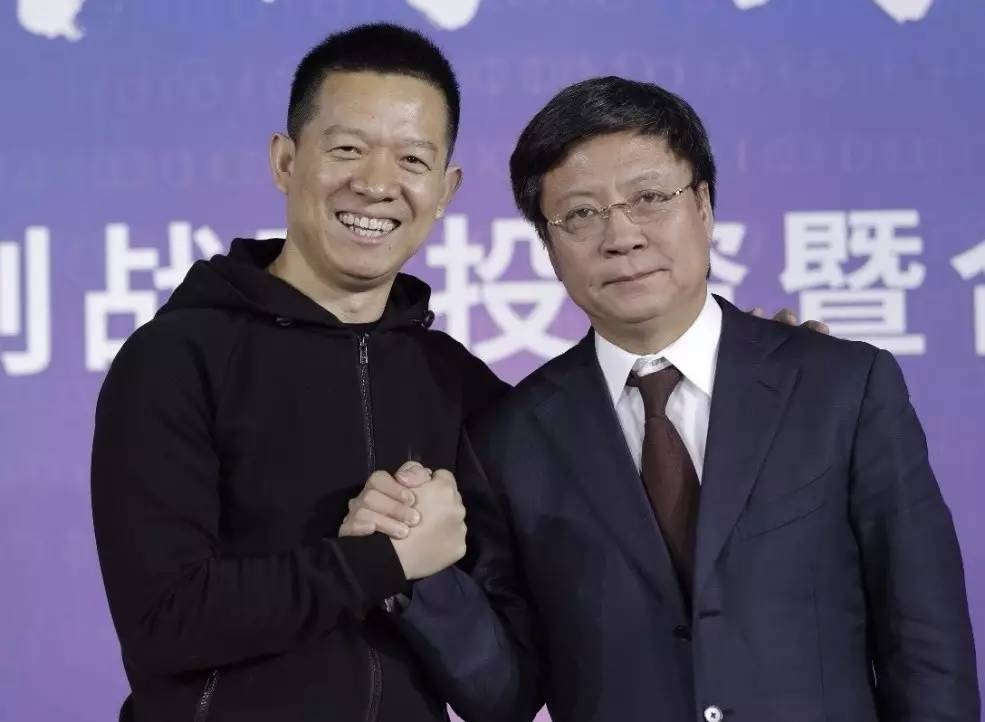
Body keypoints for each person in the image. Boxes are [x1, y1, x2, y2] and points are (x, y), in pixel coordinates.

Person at [354, 77, 981, 721]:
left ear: (703, 206)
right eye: (581, 215)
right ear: (549, 247)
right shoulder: (510, 442)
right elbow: (506, 692)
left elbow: (926, 646)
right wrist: (413, 569)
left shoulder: (841, 386)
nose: (621, 236)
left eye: (650, 198)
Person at [91, 23, 506, 722]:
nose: (376, 184)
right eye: (347, 149)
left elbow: (506, 682)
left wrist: (423, 580)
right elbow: (165, 620)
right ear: (285, 161)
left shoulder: (458, 383)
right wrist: (377, 562)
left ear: (445, 188)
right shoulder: (176, 358)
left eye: (411, 158)